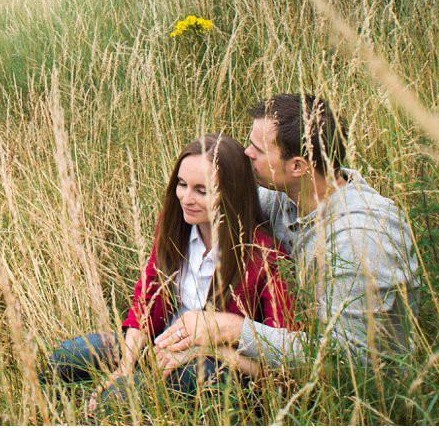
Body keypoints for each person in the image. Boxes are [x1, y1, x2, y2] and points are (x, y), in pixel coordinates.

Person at [153, 94, 419, 371]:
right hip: (274, 359)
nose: (247, 153)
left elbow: (350, 360)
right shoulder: (280, 198)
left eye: (258, 149)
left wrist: (231, 329)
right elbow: (207, 207)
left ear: (298, 166)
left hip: (357, 397)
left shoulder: (360, 239)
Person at [44, 134, 296, 416]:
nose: (186, 199)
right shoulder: (176, 224)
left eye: (202, 191)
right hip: (162, 342)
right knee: (65, 357)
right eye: (182, 184)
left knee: (112, 404)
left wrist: (202, 352)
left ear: (231, 192)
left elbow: (279, 369)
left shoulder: (265, 258)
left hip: (222, 367)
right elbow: (147, 296)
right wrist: (124, 368)